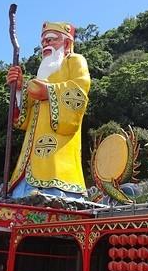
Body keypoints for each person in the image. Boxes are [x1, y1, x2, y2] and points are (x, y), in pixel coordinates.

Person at [6, 22, 91, 199]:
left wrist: (48, 92)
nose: (46, 44)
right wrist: (20, 89)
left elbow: (80, 89)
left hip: (58, 154)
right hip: (28, 159)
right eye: (43, 41)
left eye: (51, 39)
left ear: (67, 44)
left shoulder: (75, 61)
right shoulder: (41, 74)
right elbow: (23, 121)